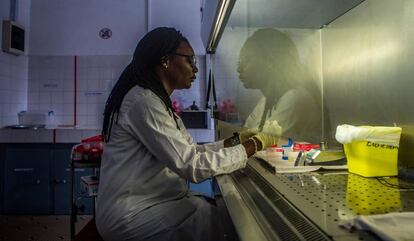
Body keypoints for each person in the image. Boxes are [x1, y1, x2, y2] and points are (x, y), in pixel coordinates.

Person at [96, 27, 279, 241]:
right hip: (132, 214)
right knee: (217, 223)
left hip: (152, 202)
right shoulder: (144, 102)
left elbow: (190, 151)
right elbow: (191, 165)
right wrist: (255, 145)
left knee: (211, 212)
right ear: (165, 61)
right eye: (189, 60)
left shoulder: (157, 101)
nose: (195, 68)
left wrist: (236, 141)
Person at [237, 28, 322, 143]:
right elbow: (244, 134)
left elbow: (258, 144)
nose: (239, 69)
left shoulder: (294, 98)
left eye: (246, 60)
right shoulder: (267, 100)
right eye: (239, 62)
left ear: (270, 62)